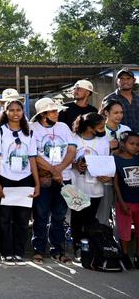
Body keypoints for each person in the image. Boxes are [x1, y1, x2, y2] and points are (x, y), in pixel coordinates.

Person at [0, 99, 40, 266]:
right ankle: (5, 252)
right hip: (5, 178)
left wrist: (37, 182)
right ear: (5, 112)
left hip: (25, 179)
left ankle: (19, 252)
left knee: (22, 218)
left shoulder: (29, 132)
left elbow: (33, 159)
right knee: (4, 218)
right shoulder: (0, 132)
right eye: (11, 110)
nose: (15, 113)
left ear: (23, 112)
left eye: (18, 110)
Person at [29, 97, 76, 265]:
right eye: (53, 111)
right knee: (40, 215)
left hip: (64, 177)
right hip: (44, 177)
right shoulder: (32, 128)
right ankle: (38, 250)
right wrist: (53, 170)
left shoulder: (63, 127)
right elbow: (33, 154)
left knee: (59, 215)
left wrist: (60, 169)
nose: (57, 113)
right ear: (43, 114)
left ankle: (58, 250)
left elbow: (71, 149)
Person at [70, 112, 111, 262]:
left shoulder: (104, 141)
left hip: (96, 187)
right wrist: (76, 165)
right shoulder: (73, 138)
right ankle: (77, 247)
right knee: (77, 218)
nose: (103, 129)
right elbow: (67, 159)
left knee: (90, 219)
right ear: (89, 127)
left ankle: (89, 247)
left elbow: (106, 162)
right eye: (100, 126)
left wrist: (106, 174)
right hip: (76, 186)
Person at [98, 99, 131, 225]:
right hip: (105, 177)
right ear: (106, 113)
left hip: (122, 177)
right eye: (116, 112)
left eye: (121, 112)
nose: (119, 115)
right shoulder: (99, 130)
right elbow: (94, 153)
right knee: (103, 212)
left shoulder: (126, 129)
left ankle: (119, 242)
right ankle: (103, 241)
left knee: (120, 214)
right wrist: (108, 147)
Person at [114, 131, 139, 269]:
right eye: (132, 144)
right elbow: (116, 184)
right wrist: (122, 202)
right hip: (125, 202)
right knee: (125, 231)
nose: (135, 147)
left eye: (137, 144)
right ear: (123, 144)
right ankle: (124, 254)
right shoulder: (117, 159)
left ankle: (137, 255)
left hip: (138, 201)